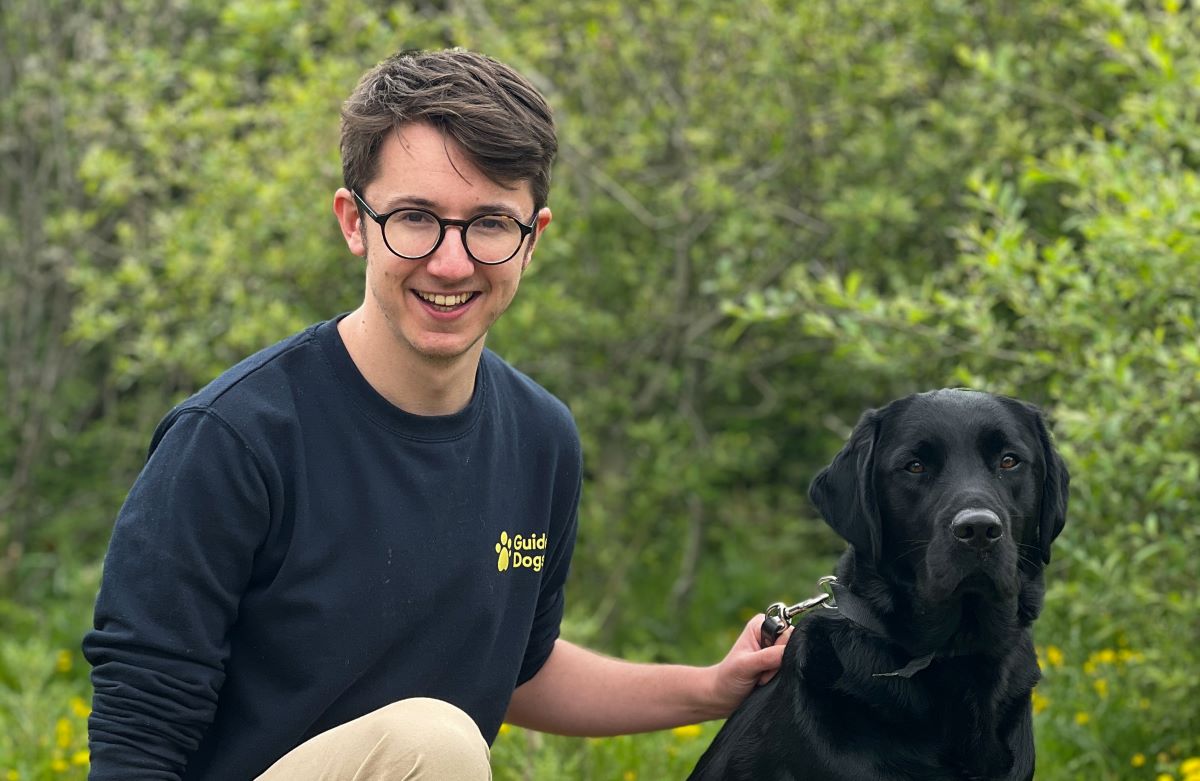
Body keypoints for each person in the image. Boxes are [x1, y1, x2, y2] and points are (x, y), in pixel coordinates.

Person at [83, 48, 789, 780]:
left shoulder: (541, 439)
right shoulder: (234, 439)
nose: (451, 263)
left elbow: (522, 669)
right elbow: (139, 733)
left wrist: (709, 687)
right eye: (416, 217)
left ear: (533, 239)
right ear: (354, 222)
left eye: (488, 223)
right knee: (436, 743)